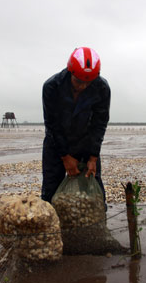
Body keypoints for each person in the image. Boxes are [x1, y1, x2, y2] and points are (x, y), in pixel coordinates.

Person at [41, 47, 111, 204]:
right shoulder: (52, 87)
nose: (83, 86)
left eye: (88, 82)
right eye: (79, 81)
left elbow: (99, 124)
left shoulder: (102, 88)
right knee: (50, 191)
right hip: (56, 143)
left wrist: (93, 156)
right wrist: (65, 156)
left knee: (94, 190)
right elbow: (52, 125)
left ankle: (97, 226)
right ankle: (53, 226)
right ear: (70, 71)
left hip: (86, 143)